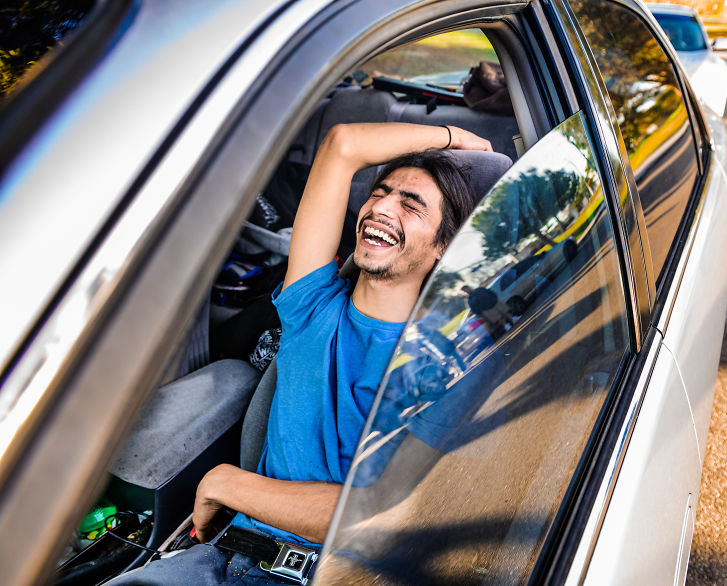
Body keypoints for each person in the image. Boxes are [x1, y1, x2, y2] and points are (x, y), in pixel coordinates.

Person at [107, 122, 492, 585]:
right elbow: (342, 145)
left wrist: (227, 483)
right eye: (379, 193)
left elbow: (381, 516)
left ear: (443, 248)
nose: (381, 209)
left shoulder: (448, 366)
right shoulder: (311, 304)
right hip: (225, 562)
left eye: (410, 205)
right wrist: (454, 138)